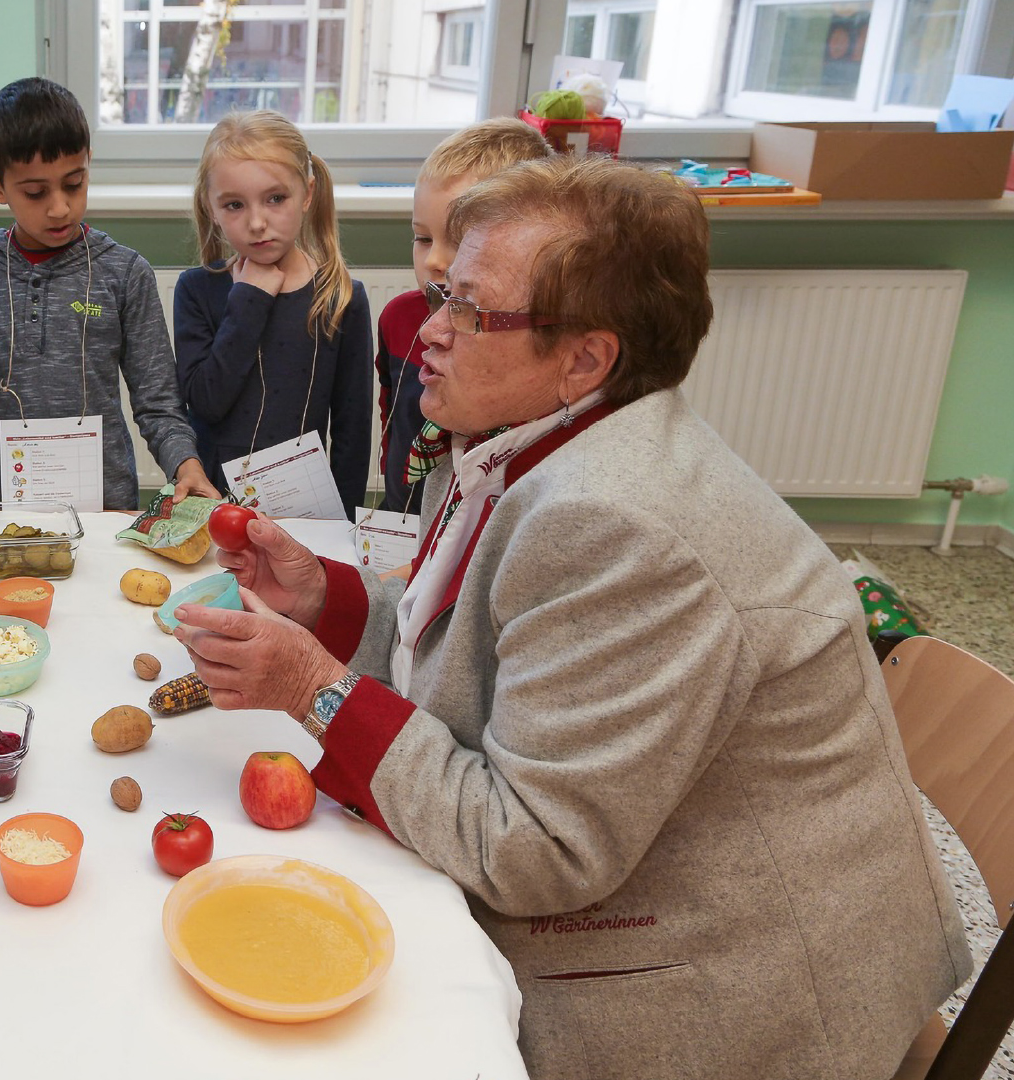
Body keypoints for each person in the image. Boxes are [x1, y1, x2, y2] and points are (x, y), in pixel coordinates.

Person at [171, 155, 970, 1080]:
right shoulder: (549, 441)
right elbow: (485, 628)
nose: (428, 333)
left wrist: (315, 687)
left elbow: (532, 850)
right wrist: (327, 600)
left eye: (468, 312)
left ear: (586, 359)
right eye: (441, 293)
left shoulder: (617, 525)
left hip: (732, 991)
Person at [0, 76, 220, 511]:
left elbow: (158, 402)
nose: (59, 207)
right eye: (35, 192)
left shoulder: (125, 272)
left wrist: (186, 465)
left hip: (103, 506)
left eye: (74, 184)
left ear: (88, 165)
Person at [174, 109, 373, 519]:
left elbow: (353, 432)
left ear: (307, 194)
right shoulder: (197, 290)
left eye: (275, 198)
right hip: (217, 506)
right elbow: (206, 404)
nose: (257, 222)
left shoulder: (341, 297)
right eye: (234, 205)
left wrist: (344, 527)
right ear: (211, 208)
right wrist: (248, 300)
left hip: (306, 515)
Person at [378, 117, 552, 515]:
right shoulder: (398, 317)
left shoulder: (511, 338)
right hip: (406, 514)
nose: (434, 260)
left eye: (458, 240)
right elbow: (393, 417)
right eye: (423, 238)